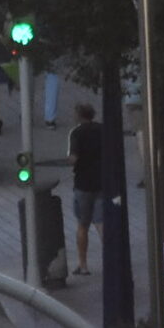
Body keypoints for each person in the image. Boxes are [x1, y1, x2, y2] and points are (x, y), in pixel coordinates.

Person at [66, 101, 104, 276]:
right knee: (101, 223)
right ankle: (110, 259)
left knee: (83, 224)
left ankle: (83, 265)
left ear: (78, 115)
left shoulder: (76, 133)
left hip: (83, 183)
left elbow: (73, 157)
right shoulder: (102, 130)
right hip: (101, 182)